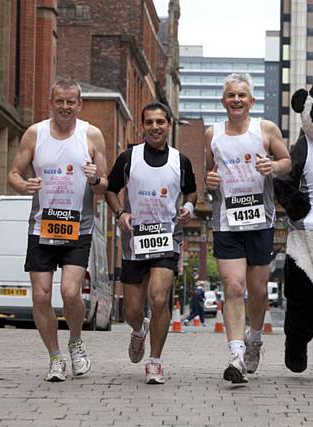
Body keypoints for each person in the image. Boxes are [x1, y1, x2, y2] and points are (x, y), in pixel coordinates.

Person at [8, 78, 108, 382]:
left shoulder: (92, 135)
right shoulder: (34, 134)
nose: (65, 107)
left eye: (71, 102)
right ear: (51, 102)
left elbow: (105, 185)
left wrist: (94, 179)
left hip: (79, 226)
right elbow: (13, 173)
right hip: (42, 225)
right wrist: (24, 185)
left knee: (69, 291)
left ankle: (75, 341)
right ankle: (55, 358)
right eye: (59, 101)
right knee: (40, 296)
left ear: (79, 104)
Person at [205, 73, 291, 384]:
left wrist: (273, 166)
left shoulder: (265, 129)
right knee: (233, 287)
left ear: (251, 101)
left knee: (257, 291)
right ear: (224, 101)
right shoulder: (212, 134)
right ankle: (236, 355)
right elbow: (208, 172)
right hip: (227, 222)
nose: (237, 100)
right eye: (231, 95)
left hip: (260, 220)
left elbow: (287, 162)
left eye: (242, 95)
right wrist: (209, 181)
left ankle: (255, 340)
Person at [105, 101, 197, 384]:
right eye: (149, 122)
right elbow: (110, 190)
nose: (155, 127)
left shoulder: (180, 161)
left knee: (158, 297)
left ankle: (155, 361)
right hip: (135, 241)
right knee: (133, 309)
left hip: (166, 239)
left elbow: (192, 193)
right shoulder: (128, 158)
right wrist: (120, 213)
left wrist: (189, 209)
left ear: (169, 125)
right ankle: (138, 329)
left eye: (161, 122)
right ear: (142, 126)